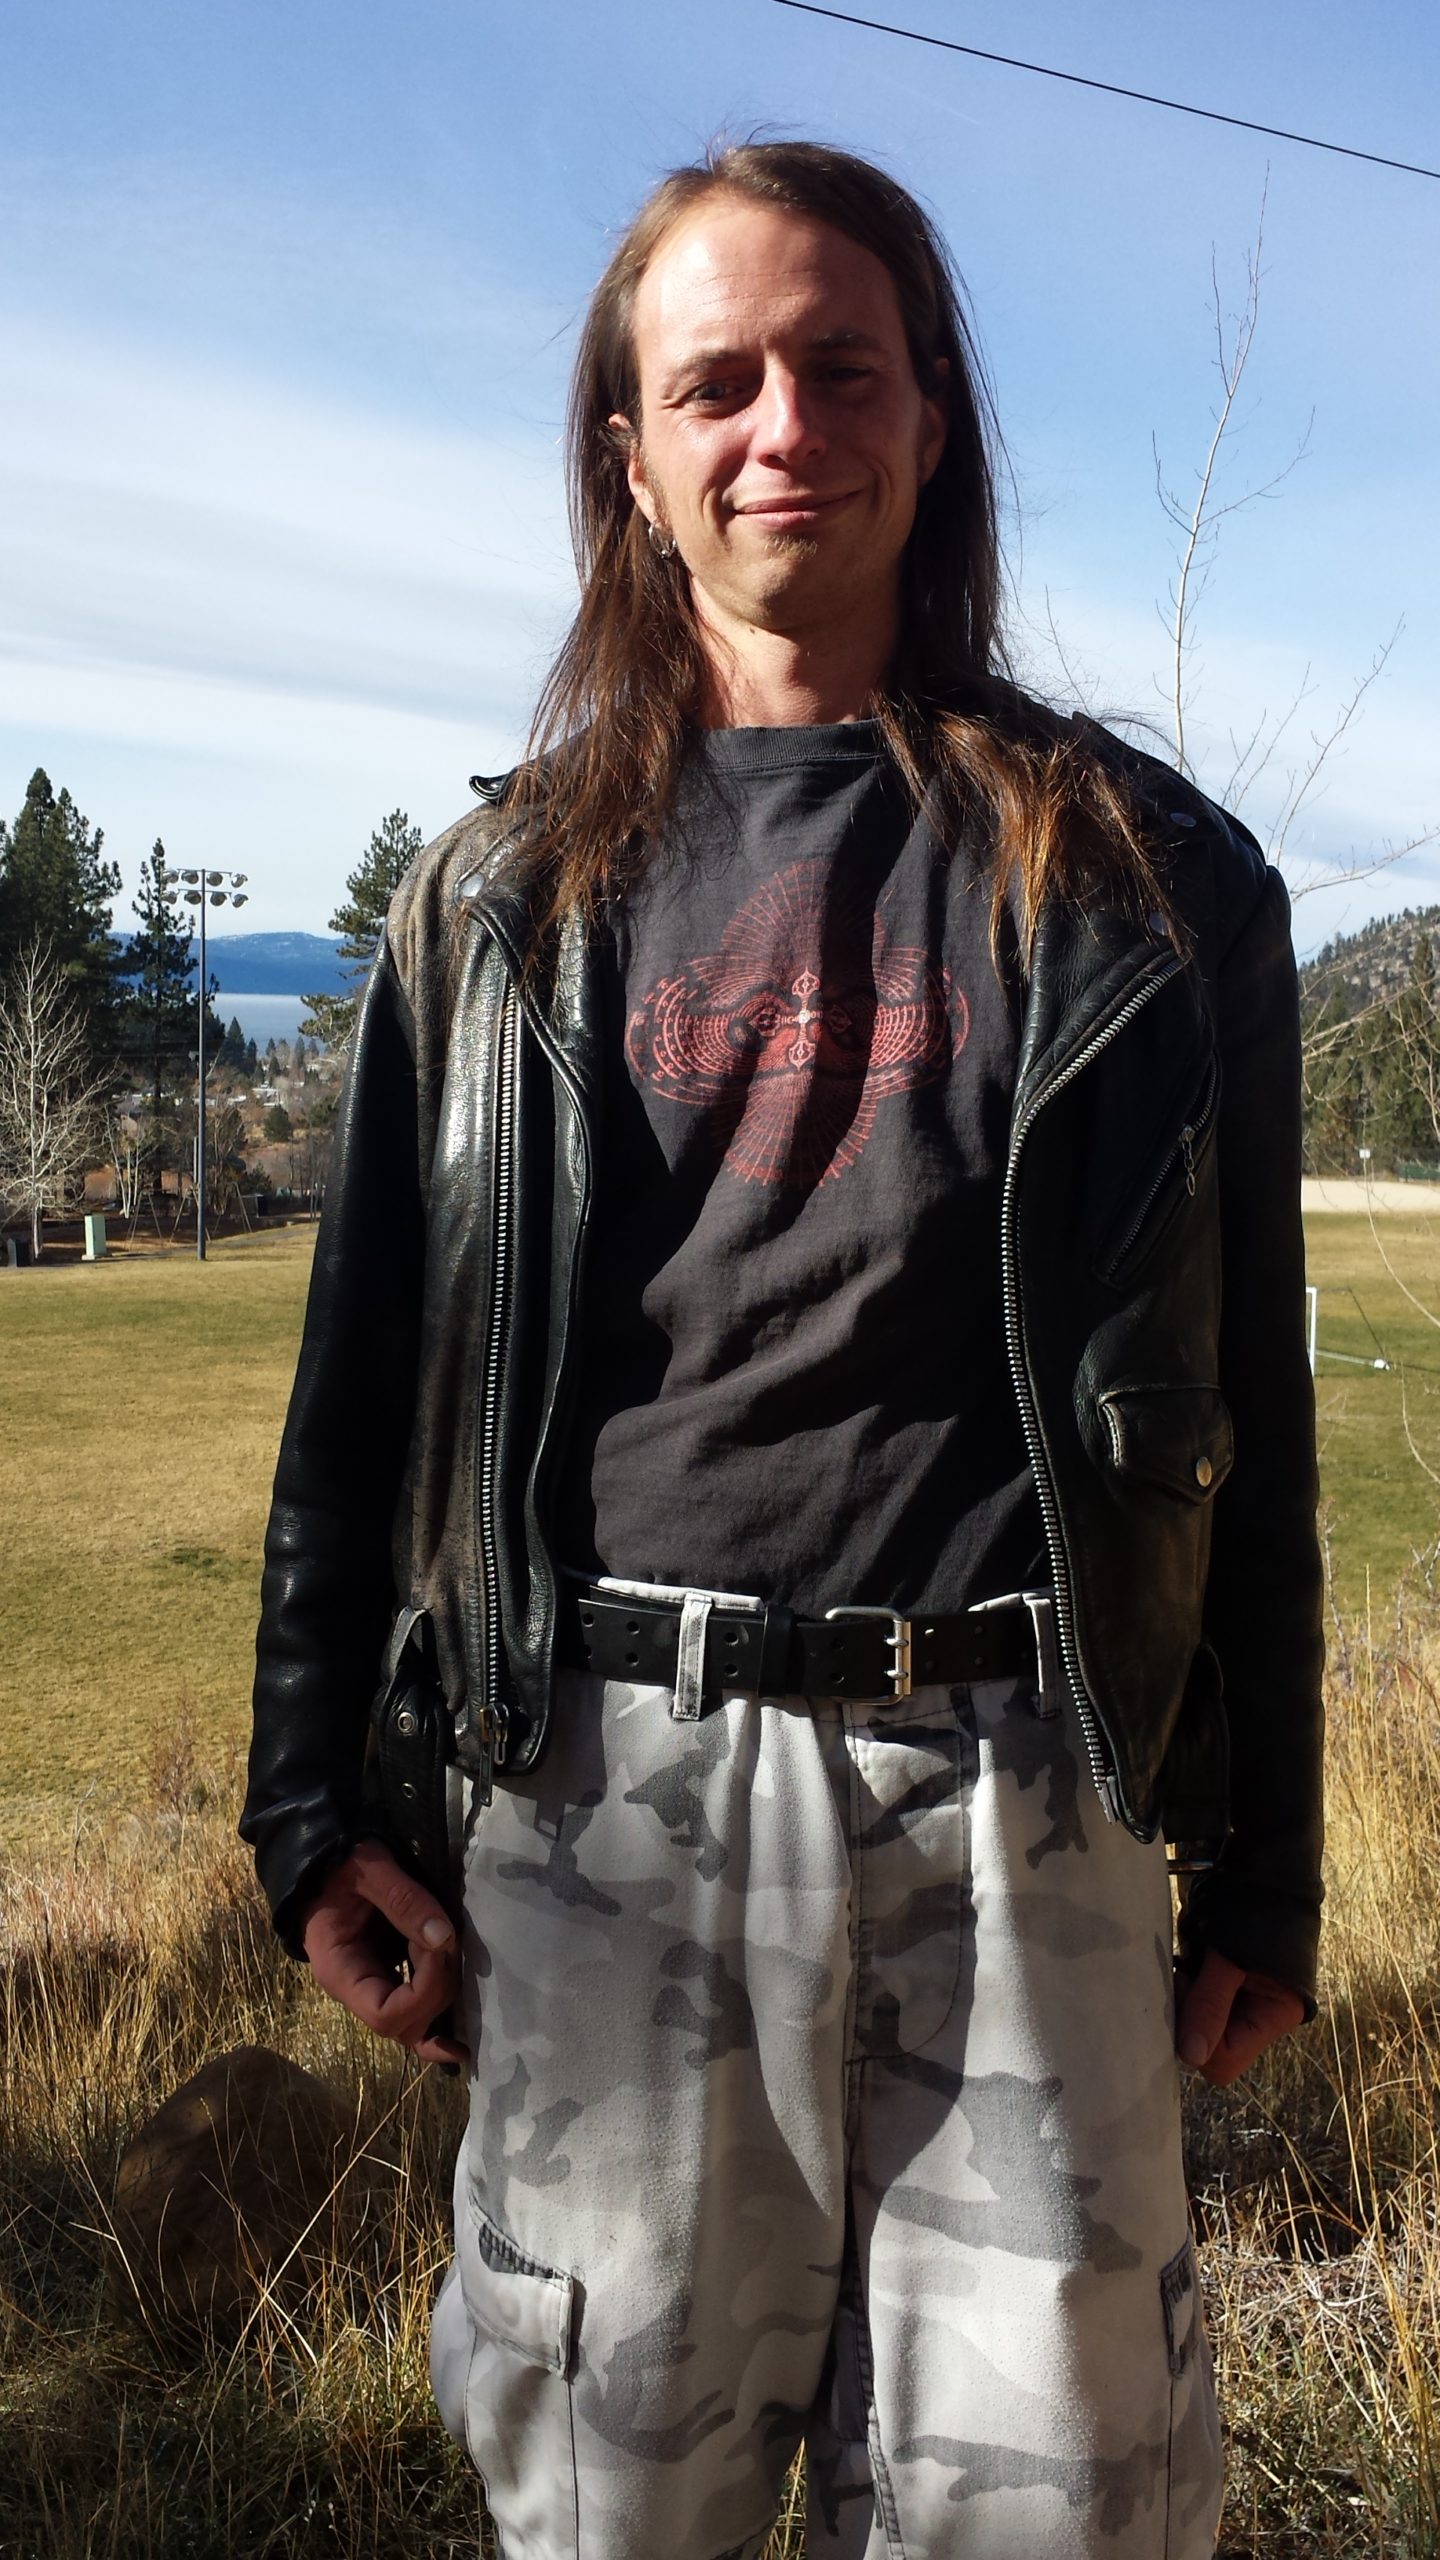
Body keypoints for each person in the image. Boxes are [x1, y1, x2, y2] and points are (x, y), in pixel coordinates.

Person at [243, 139, 1323, 2560]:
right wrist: (310, 1802)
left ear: (934, 412)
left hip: (1033, 1790)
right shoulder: (495, 902)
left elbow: (1236, 1416)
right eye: (714, 380)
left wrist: (1272, 1861)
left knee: (1057, 2512)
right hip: (606, 1795)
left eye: (843, 366)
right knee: (605, 2509)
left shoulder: (1154, 886)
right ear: (629, 456)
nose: (783, 426)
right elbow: (365, 1382)